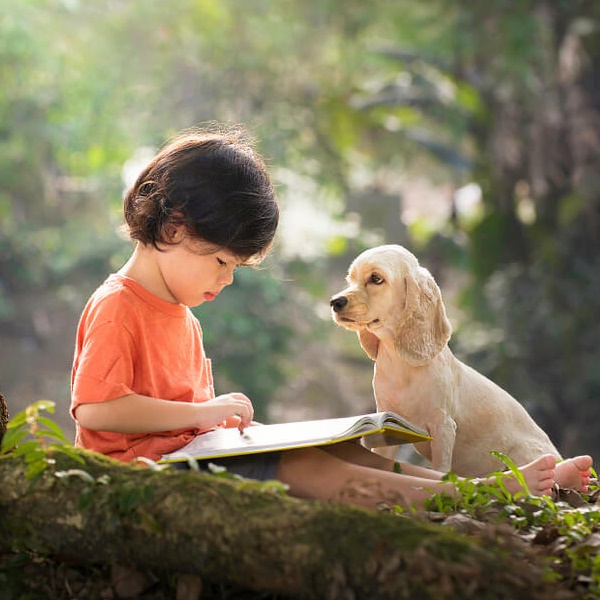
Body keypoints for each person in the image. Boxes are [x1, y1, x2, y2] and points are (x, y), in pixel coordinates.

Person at [70, 125, 593, 514]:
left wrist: (216, 419)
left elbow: (182, 415)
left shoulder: (182, 317)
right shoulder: (119, 306)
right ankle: (471, 498)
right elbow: (95, 410)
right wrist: (206, 415)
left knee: (345, 449)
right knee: (304, 467)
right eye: (223, 262)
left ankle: (483, 489)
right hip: (144, 481)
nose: (225, 280)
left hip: (196, 457)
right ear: (176, 225)